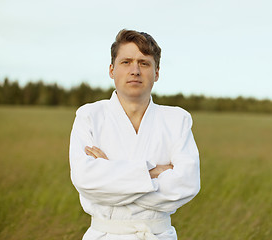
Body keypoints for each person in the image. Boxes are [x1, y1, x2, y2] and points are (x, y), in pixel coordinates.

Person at [69, 29, 200, 240]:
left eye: (144, 63)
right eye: (126, 62)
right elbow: (85, 179)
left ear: (157, 72)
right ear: (112, 70)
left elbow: (187, 184)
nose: (135, 70)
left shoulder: (178, 120)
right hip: (105, 234)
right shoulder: (89, 116)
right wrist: (155, 172)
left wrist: (110, 171)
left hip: (157, 234)